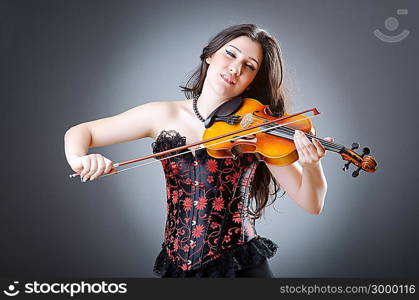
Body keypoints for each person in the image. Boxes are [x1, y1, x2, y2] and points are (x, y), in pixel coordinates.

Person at [64, 24, 334, 278]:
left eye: (249, 66)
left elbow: (312, 203)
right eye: (230, 54)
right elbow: (80, 132)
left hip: (240, 268)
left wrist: (312, 163)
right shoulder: (161, 114)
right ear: (209, 55)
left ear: (251, 81)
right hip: (176, 267)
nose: (235, 68)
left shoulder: (259, 131)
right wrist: (80, 158)